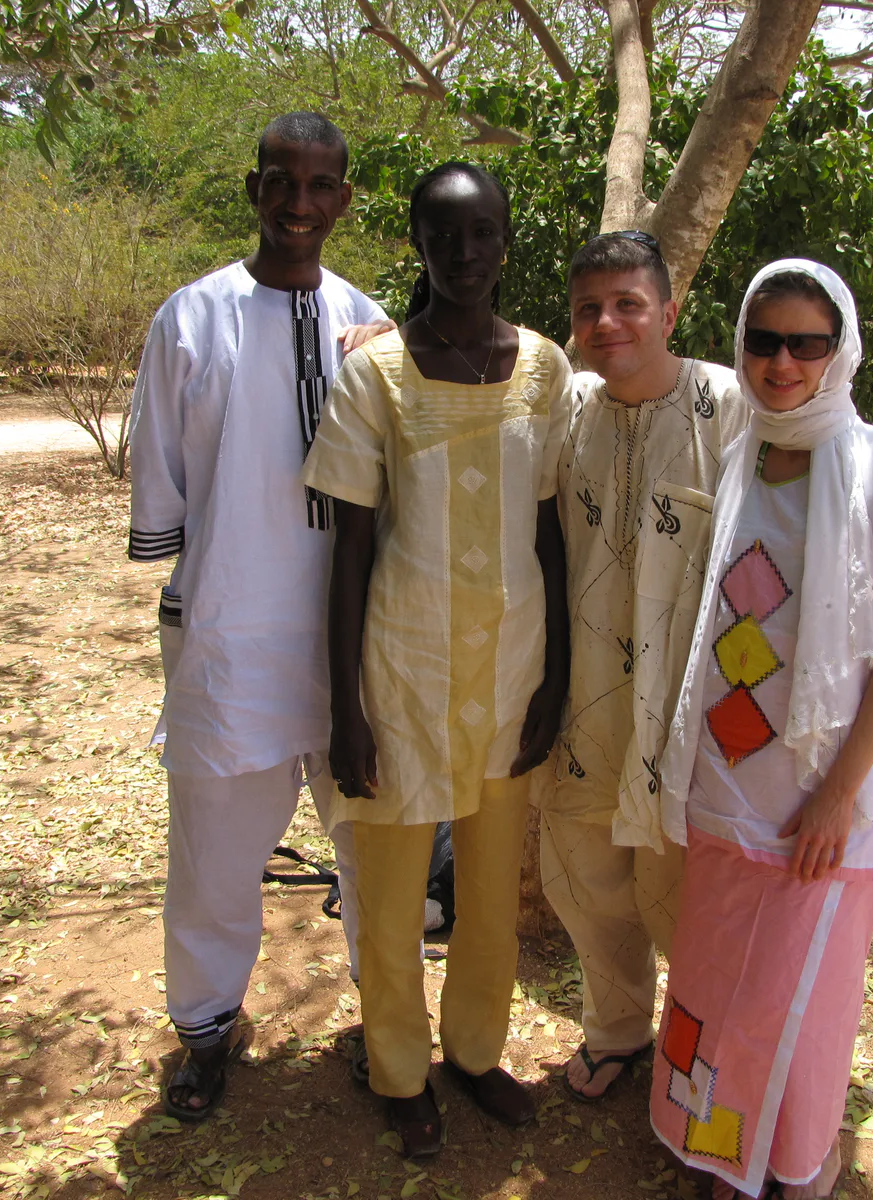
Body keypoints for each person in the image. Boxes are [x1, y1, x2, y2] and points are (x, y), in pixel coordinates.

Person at [649, 260, 873, 1200]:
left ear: (839, 352)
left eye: (806, 343)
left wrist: (838, 794)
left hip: (827, 799)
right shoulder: (740, 453)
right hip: (729, 784)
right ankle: (714, 1149)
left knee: (802, 1000)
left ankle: (792, 1163)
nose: (782, 362)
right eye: (764, 340)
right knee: (718, 980)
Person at [126, 112, 394, 1123]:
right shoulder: (189, 320)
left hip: (358, 645)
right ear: (254, 189)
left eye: (319, 184)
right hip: (231, 631)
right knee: (213, 853)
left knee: (375, 844)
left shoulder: (371, 325)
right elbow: (166, 492)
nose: (298, 202)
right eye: (281, 181)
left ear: (343, 199)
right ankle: (204, 1028)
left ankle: (391, 1024)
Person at [302, 162, 571, 1158]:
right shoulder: (375, 374)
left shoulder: (543, 369)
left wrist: (559, 671)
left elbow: (551, 532)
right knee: (390, 890)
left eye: (481, 234)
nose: (463, 255)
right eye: (441, 236)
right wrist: (346, 711)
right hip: (403, 671)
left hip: (511, 669)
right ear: (416, 243)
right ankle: (397, 1067)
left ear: (506, 240)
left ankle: (473, 1052)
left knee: (494, 888)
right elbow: (351, 549)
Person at [539, 231, 747, 1103]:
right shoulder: (568, 407)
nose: (608, 321)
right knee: (588, 883)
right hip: (584, 699)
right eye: (589, 308)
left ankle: (705, 1058)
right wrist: (379, 334)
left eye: (628, 303)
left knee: (685, 894)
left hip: (687, 705)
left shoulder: (729, 404)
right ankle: (617, 1032)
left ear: (668, 310)